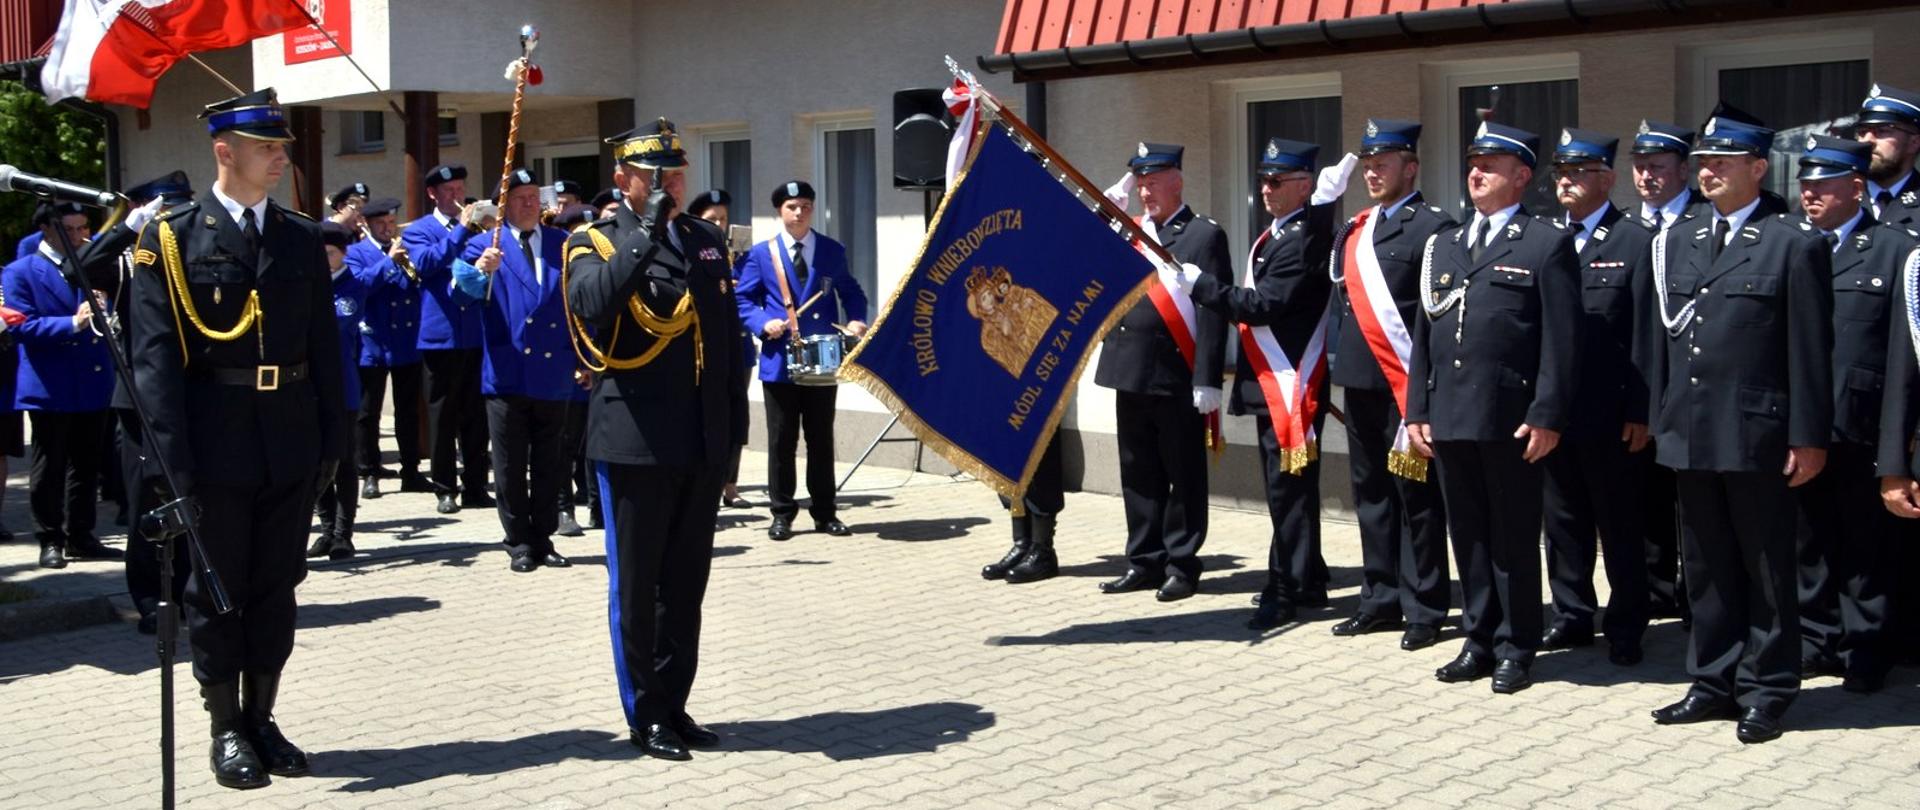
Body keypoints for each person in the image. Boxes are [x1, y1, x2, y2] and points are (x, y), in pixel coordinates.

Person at [128, 87, 348, 788]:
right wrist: (171, 464)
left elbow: (325, 346)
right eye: (266, 146)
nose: (280, 156)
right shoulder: (170, 238)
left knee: (277, 586)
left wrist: (331, 441)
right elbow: (155, 361)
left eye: (280, 145)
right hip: (214, 442)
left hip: (288, 436)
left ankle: (263, 717)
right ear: (225, 152)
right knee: (216, 592)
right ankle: (225, 727)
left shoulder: (299, 236)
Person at [1645, 111, 1831, 744]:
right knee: (1705, 564)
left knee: (1766, 567)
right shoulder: (1684, 236)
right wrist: (1659, 421)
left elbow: (1809, 352)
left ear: (1758, 168)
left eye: (1724, 162)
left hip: (1759, 433)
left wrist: (1808, 436)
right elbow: (1666, 346)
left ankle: (1768, 689)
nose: (1709, 172)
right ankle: (1712, 680)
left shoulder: (1792, 242)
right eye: (1703, 162)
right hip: (1691, 431)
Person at [565, 118, 740, 760]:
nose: (668, 183)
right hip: (633, 440)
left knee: (686, 585)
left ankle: (675, 701)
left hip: (698, 440)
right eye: (654, 174)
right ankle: (645, 713)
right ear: (624, 180)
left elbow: (727, 347)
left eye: (676, 172)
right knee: (637, 588)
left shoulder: (705, 241)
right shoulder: (595, 242)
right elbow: (593, 306)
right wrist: (643, 232)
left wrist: (730, 441)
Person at [1407, 122, 1581, 694]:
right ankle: (1478, 639)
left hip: (1511, 418)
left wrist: (1549, 413)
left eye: (1491, 163)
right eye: (1473, 161)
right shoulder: (1447, 244)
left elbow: (1562, 339)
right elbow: (1424, 337)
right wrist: (1416, 410)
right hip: (1451, 415)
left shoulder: (1543, 242)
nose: (1476, 171)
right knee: (1469, 535)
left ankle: (1516, 646)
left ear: (1522, 176)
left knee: (1511, 536)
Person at [1173, 138, 1338, 626]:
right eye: (1263, 180)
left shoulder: (1301, 239)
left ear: (1305, 186)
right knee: (1293, 491)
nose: (1265, 189)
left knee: (1286, 493)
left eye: (1276, 181)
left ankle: (1283, 591)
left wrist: (1202, 286)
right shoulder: (1281, 234)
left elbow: (1261, 306)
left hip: (1289, 389)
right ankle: (1307, 578)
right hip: (1275, 387)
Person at [1790, 135, 1914, 694]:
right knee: (1809, 541)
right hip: (1801, 425)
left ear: (1857, 188)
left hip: (1860, 426)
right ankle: (1818, 640)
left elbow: (1901, 354)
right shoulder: (1793, 246)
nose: (1809, 194)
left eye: (1823, 185)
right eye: (1805, 184)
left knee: (1866, 546)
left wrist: (1897, 446)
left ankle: (1867, 646)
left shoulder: (1894, 250)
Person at [1327, 120, 1455, 650]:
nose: (1373, 172)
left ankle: (1424, 605)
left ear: (1411, 167)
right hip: (1359, 381)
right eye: (1369, 164)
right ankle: (1378, 596)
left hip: (1408, 387)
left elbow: (1436, 317)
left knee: (1417, 499)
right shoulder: (1356, 228)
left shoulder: (1434, 227)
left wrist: (1423, 392)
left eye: (1384, 163)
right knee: (1371, 495)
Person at [1089, 142, 1229, 602]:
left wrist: (1207, 376)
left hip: (1176, 373)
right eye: (1141, 182)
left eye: (1154, 181)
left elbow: (1212, 309)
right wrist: (1104, 214)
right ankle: (1144, 560)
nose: (1146, 191)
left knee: (1182, 472)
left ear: (1177, 181)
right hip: (1128, 369)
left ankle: (1182, 565)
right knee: (1138, 470)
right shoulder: (1129, 231)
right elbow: (1089, 266)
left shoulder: (1203, 235)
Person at [1539, 128, 1655, 666]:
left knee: (1621, 523)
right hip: (1555, 413)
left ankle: (1628, 622)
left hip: (1611, 414)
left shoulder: (1635, 240)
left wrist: (1640, 409)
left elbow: (1647, 335)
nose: (1565, 181)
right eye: (1560, 173)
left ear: (1606, 179)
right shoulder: (1542, 238)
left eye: (1577, 172)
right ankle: (1571, 614)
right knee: (1562, 522)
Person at [733, 180, 868, 541]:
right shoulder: (762, 254)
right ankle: (781, 513)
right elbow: (742, 300)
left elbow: (852, 291)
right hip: (780, 361)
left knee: (821, 439)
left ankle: (825, 513)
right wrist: (764, 323)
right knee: (781, 441)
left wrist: (856, 318)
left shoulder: (830, 250)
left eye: (806, 206)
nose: (799, 212)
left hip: (821, 361)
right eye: (792, 206)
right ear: (780, 210)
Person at [461, 168, 577, 573]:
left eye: (533, 197)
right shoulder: (484, 245)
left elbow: (579, 305)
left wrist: (583, 359)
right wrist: (479, 270)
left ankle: (543, 537)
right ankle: (518, 540)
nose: (529, 204)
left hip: (553, 369)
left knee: (550, 461)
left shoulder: (564, 244)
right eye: (519, 198)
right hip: (507, 369)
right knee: (510, 464)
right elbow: (459, 294)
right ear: (503, 205)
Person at [4, 201, 121, 569]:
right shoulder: (21, 271)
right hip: (50, 384)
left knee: (86, 466)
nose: (79, 236)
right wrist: (72, 323)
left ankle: (82, 536)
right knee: (50, 465)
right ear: (47, 231)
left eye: (83, 228)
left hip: (91, 378)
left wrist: (107, 315)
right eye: (69, 230)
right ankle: (50, 537)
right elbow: (21, 326)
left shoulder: (92, 262)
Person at [1628, 119, 1697, 624]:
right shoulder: (1628, 229)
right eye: (1640, 167)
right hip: (1641, 384)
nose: (1647, 177)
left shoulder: (1703, 222)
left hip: (1691, 385)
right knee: (1648, 495)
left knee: (1692, 502)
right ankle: (1654, 590)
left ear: (1683, 171)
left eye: (1657, 167)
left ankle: (1698, 594)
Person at [404, 162, 493, 515]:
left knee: (476, 414)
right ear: (432, 195)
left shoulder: (477, 229)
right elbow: (426, 263)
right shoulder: (420, 230)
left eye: (460, 189)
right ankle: (444, 487)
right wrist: (460, 230)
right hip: (440, 336)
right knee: (442, 415)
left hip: (476, 331)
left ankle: (475, 485)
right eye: (449, 192)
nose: (457, 196)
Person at [348, 197, 425, 499]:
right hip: (373, 341)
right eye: (381, 223)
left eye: (391, 223)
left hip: (404, 342)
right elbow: (360, 286)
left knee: (408, 411)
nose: (387, 228)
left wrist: (406, 265)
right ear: (366, 224)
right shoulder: (356, 253)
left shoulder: (404, 253)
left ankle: (411, 470)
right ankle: (368, 470)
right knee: (368, 412)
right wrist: (388, 261)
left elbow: (416, 286)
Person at [687, 188, 753, 511]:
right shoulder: (694, 250)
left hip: (737, 344)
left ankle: (731, 483)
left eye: (723, 219)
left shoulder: (741, 255)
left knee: (736, 415)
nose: (720, 224)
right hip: (706, 347)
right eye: (712, 219)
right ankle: (709, 486)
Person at [308, 222, 369, 561]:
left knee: (344, 461)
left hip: (342, 386)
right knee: (316, 462)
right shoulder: (308, 287)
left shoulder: (353, 286)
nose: (324, 259)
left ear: (343, 254)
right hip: (311, 387)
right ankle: (327, 529)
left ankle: (344, 534)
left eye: (330, 253)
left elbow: (338, 323)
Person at [1857, 84, 1920, 228]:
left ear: (1914, 142)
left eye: (1882, 131)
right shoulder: (1836, 199)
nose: (1868, 140)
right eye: (1862, 131)